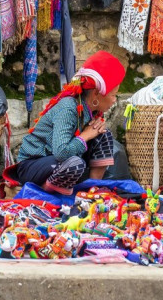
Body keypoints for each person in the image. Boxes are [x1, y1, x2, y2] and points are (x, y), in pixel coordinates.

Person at [14, 50, 126, 195]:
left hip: (61, 164)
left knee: (103, 135)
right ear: (96, 93)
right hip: (33, 165)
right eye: (113, 95)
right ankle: (41, 191)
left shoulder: (91, 111)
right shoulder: (68, 108)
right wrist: (85, 136)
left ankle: (92, 191)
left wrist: (91, 134)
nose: (115, 100)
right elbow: (61, 152)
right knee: (74, 164)